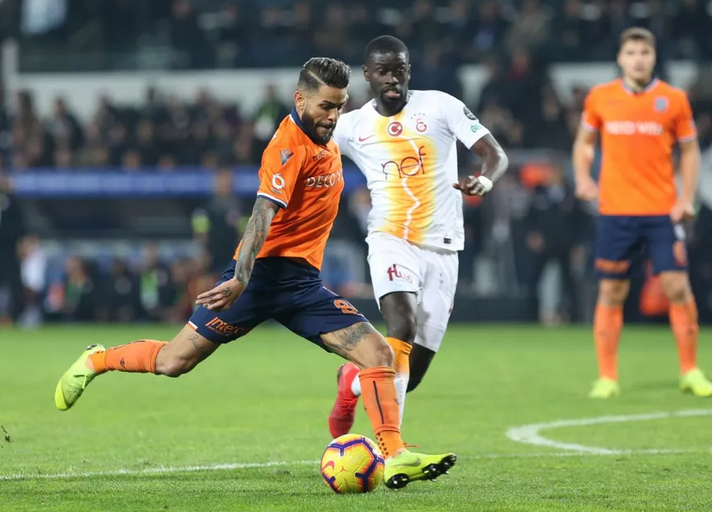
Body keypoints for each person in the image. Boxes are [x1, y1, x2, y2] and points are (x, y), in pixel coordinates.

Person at [54, 57, 455, 490]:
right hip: (259, 278)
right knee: (174, 362)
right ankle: (98, 358)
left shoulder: (328, 137)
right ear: (300, 100)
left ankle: (396, 455)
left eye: (340, 106)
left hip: (301, 285)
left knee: (379, 355)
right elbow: (263, 212)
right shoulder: (287, 147)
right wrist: (241, 277)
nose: (334, 116)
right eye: (326, 107)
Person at [328, 36, 508, 438]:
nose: (393, 78)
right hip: (390, 238)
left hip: (444, 247)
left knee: (410, 376)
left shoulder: (441, 106)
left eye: (400, 69)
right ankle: (392, 448)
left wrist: (485, 180)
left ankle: (352, 382)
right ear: (368, 75)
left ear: (409, 70)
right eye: (384, 71)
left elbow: (495, 155)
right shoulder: (351, 126)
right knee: (402, 324)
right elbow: (308, 150)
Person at [573, 27, 712, 399]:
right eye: (631, 52)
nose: (638, 58)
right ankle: (607, 377)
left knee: (678, 287)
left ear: (653, 58)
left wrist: (686, 199)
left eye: (644, 52)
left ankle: (691, 371)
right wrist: (584, 177)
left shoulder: (674, 99)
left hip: (662, 212)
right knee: (612, 291)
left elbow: (691, 151)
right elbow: (585, 142)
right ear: (620, 58)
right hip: (616, 212)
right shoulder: (601, 98)